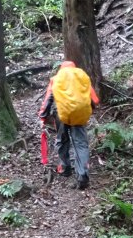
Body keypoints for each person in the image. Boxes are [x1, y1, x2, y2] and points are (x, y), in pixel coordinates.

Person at [39, 60, 99, 190]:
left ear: (61, 69)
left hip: (61, 113)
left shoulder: (56, 78)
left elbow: (48, 98)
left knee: (62, 140)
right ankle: (82, 175)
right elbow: (94, 99)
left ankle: (65, 168)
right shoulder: (81, 77)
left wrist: (43, 116)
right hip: (79, 114)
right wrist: (88, 110)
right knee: (81, 144)